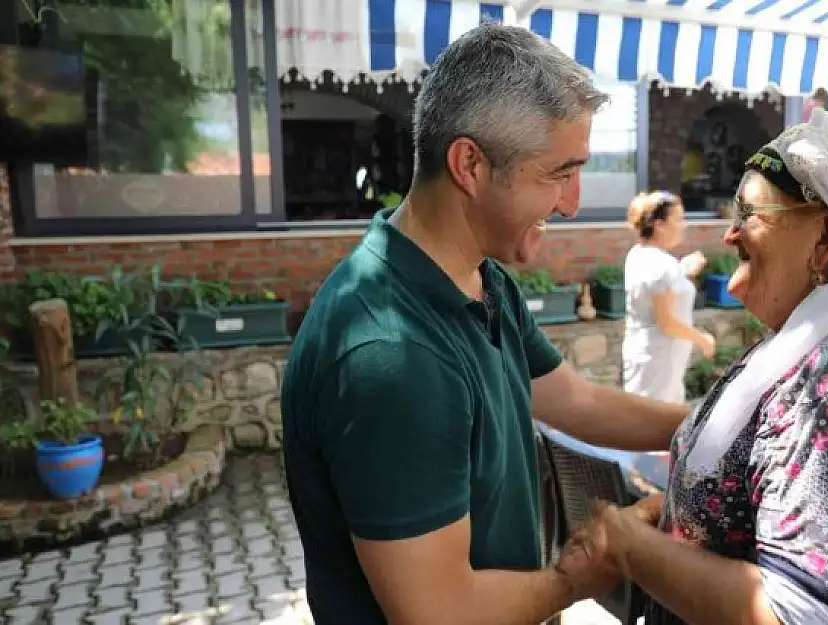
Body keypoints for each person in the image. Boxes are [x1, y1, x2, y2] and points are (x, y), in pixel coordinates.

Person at [279, 24, 690, 625]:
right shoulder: (392, 355)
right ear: (469, 163)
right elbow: (440, 614)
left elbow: (574, 401)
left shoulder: (478, 276)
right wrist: (587, 571)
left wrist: (710, 428)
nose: (571, 203)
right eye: (557, 173)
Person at [574, 108, 828, 625]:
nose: (730, 237)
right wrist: (676, 515)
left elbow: (798, 614)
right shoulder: (814, 341)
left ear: (825, 238)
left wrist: (630, 544)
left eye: (749, 215)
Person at [623, 191, 716, 403]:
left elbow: (659, 287)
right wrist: (702, 339)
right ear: (659, 224)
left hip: (651, 357)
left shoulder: (640, 254)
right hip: (659, 361)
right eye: (679, 219)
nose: (683, 225)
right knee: (652, 420)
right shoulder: (662, 266)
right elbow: (667, 323)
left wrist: (681, 270)